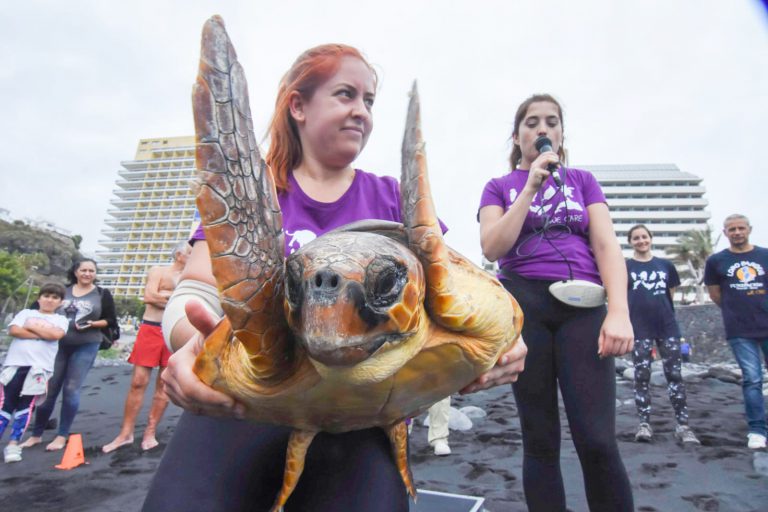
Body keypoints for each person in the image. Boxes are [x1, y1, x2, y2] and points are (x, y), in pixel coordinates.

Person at [145, 43, 527, 511]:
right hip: (249, 404)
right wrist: (190, 349)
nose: (361, 112)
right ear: (299, 105)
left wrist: (504, 339)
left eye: (369, 101)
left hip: (371, 412)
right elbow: (196, 293)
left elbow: (459, 288)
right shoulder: (259, 197)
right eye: (346, 94)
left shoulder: (391, 198)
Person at [478, 93, 635, 511]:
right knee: (540, 439)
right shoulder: (499, 187)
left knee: (598, 439)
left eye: (551, 121)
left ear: (562, 134)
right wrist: (529, 187)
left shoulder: (582, 181)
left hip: (583, 306)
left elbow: (605, 244)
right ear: (517, 136)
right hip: (523, 305)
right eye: (531, 122)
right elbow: (493, 246)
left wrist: (619, 311)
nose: (542, 129)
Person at [20, 259, 118, 451]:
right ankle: (36, 434)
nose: (87, 274)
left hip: (87, 344)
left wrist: (92, 324)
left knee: (72, 389)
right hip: (56, 345)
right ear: (75, 272)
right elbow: (36, 309)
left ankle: (62, 435)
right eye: (84, 270)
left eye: (91, 271)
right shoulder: (62, 290)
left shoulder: (102, 294)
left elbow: (110, 320)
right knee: (48, 389)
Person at [102, 241, 190, 453]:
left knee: (164, 384)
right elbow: (149, 296)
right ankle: (126, 433)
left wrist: (166, 297)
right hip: (151, 328)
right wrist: (174, 299)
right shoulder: (158, 271)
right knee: (138, 381)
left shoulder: (191, 279)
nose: (193, 256)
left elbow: (191, 303)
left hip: (173, 331)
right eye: (189, 252)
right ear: (178, 254)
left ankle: (150, 432)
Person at [626, 224, 700, 445]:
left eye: (644, 237)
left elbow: (671, 294)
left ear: (651, 238)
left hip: (667, 328)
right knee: (641, 378)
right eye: (636, 238)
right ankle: (644, 425)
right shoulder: (625, 267)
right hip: (639, 329)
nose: (641, 241)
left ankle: (683, 425)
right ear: (630, 242)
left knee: (675, 377)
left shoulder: (666, 265)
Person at [704, 214, 768, 449]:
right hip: (739, 329)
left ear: (749, 229)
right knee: (752, 379)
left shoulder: (764, 256)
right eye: (732, 229)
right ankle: (757, 431)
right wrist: (736, 310)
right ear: (725, 232)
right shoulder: (716, 261)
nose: (737, 232)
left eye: (741, 228)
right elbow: (715, 294)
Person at [1, 283, 68, 463]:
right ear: (39, 298)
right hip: (15, 365)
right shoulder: (25, 314)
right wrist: (42, 334)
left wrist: (31, 328)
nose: (49, 300)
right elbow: (14, 330)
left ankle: (14, 443)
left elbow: (56, 335)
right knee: (5, 404)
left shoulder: (61, 320)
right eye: (46, 296)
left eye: (55, 297)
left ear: (60, 302)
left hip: (39, 369)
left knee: (25, 406)